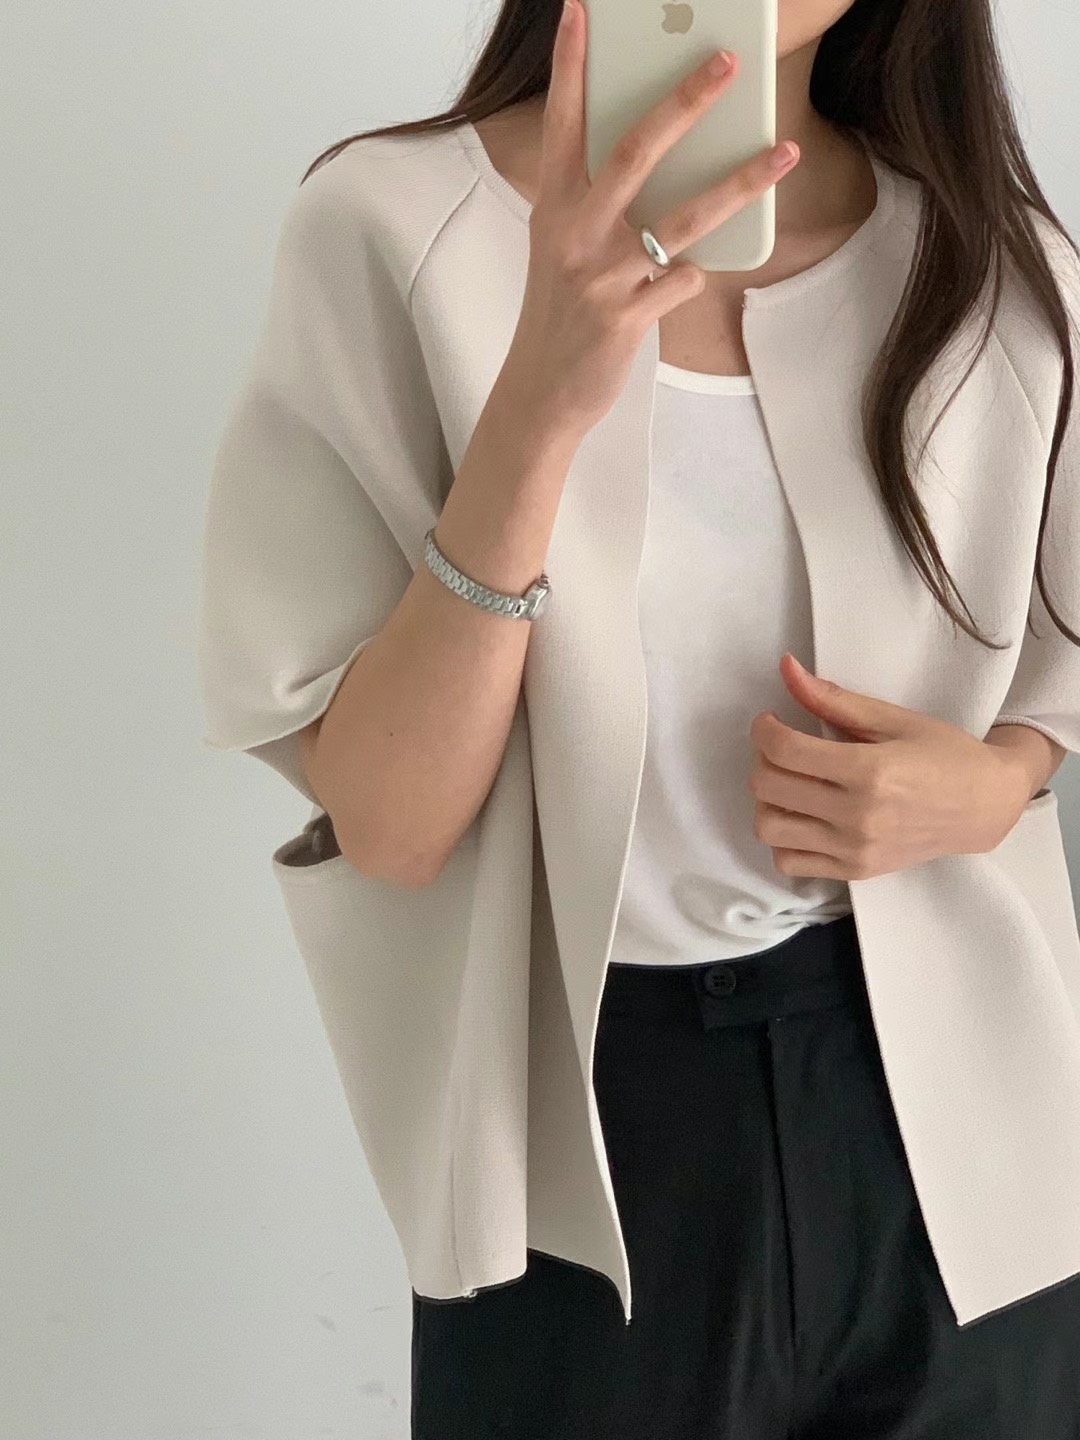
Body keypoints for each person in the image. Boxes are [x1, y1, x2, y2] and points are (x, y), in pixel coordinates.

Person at [198, 0, 1080, 1434]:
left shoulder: (988, 257)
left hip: (969, 1126)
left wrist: (998, 781)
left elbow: (1055, 661)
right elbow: (396, 829)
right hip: (592, 1132)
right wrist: (539, 402)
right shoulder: (396, 226)